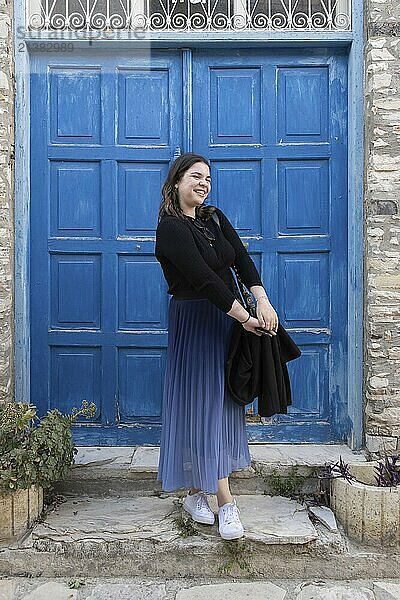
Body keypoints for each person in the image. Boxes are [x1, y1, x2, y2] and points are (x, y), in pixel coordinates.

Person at [155, 152, 279, 540]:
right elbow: (205, 279)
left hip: (227, 318)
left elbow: (240, 258)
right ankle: (226, 501)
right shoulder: (171, 229)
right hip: (197, 319)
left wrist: (262, 299)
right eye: (196, 176)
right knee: (203, 401)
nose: (204, 183)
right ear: (176, 182)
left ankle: (196, 494)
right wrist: (245, 317)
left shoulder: (215, 218)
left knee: (218, 403)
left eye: (208, 178)